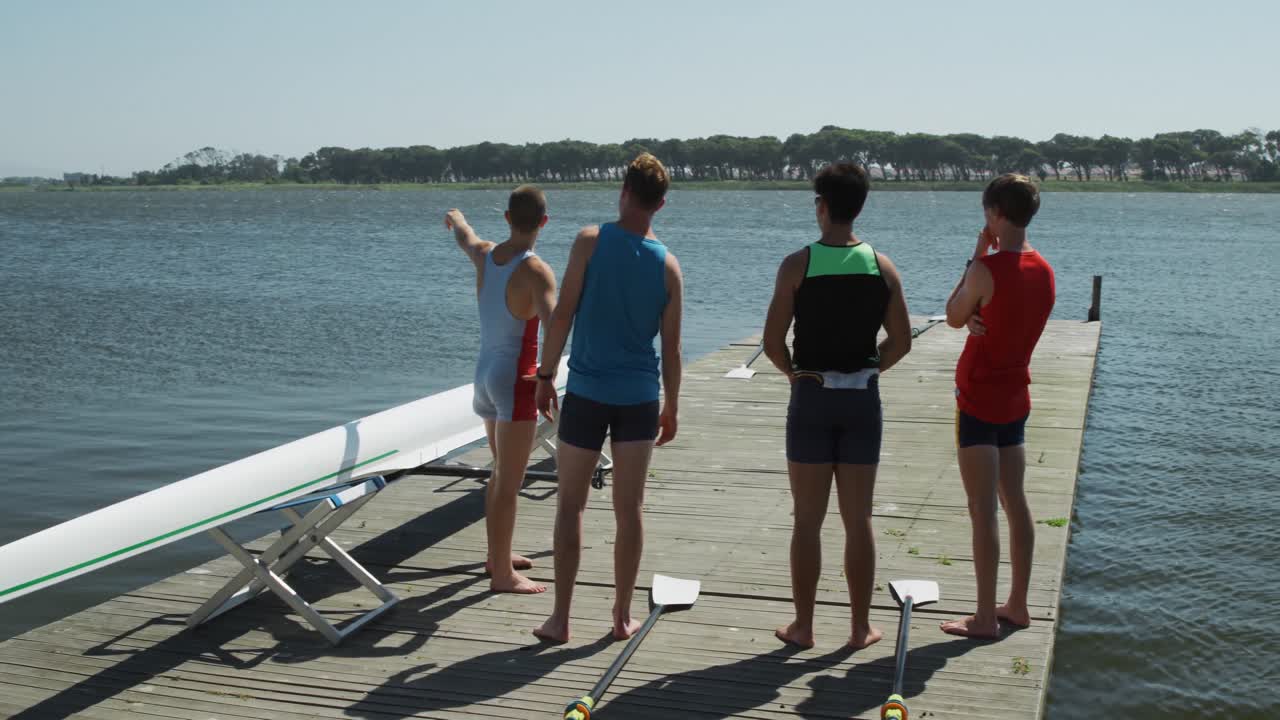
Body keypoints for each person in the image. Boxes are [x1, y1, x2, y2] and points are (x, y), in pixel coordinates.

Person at [530, 153, 683, 643]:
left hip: (588, 393)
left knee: (570, 505)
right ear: (661, 204)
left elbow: (564, 314)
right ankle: (620, 616)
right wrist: (672, 404)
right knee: (629, 510)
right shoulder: (668, 267)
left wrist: (544, 373)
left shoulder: (590, 241)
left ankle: (560, 619)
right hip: (639, 396)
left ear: (623, 191)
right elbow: (673, 348)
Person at [762, 162, 913, 650]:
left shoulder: (797, 264)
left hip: (811, 397)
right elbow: (901, 342)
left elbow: (772, 342)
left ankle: (803, 627)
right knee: (858, 519)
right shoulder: (881, 266)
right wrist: (868, 370)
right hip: (861, 402)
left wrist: (796, 375)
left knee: (807, 519)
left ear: (822, 207)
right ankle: (858, 628)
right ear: (860, 207)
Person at [940, 173, 1056, 639]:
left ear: (994, 214)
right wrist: (978, 314)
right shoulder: (1045, 270)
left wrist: (976, 258)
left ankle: (985, 617)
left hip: (978, 398)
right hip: (1016, 396)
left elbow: (951, 315)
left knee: (982, 508)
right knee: (1016, 501)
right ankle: (1019, 605)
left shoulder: (984, 269)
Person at [444, 185, 557, 594]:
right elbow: (555, 325)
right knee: (509, 482)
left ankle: (497, 554)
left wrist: (457, 219)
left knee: (499, 476)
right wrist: (547, 378)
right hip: (514, 381)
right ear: (544, 222)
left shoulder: (487, 254)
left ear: (508, 218)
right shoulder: (536, 270)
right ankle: (503, 576)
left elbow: (465, 238)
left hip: (484, 376)